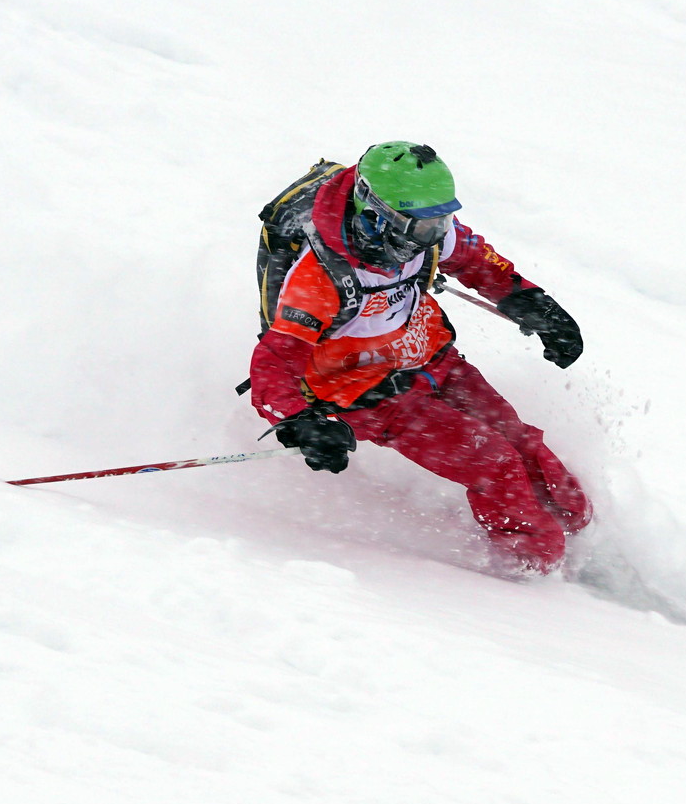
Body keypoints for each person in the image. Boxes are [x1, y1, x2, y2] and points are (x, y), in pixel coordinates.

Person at [248, 142, 591, 576]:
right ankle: (532, 569)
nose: (436, 235)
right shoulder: (318, 277)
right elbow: (274, 361)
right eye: (423, 227)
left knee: (517, 438)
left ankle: (581, 532)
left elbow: (476, 260)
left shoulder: (422, 232)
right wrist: (301, 422)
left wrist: (534, 306)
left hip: (431, 357)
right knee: (494, 462)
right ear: (376, 215)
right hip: (369, 394)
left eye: (441, 221)